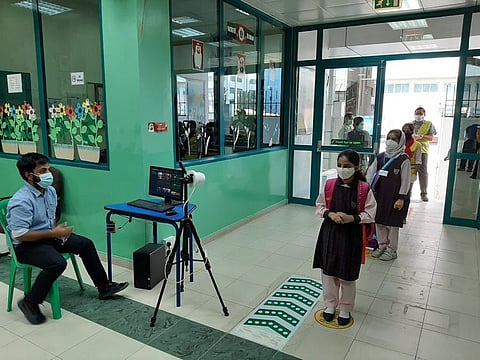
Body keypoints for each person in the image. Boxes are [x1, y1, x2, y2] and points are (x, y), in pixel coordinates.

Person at [6, 153, 128, 325]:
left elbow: (49, 220)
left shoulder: (50, 192)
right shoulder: (21, 201)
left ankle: (104, 287)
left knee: (85, 244)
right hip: (26, 246)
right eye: (43, 171)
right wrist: (53, 234)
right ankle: (29, 302)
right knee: (57, 263)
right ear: (28, 175)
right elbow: (20, 235)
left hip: (48, 237)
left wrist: (58, 234)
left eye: (48, 169)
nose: (49, 174)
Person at [313, 150, 377, 326]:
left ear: (356, 168)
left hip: (351, 237)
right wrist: (329, 213)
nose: (342, 169)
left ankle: (346, 308)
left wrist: (352, 218)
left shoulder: (363, 189)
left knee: (347, 275)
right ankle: (330, 305)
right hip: (330, 234)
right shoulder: (330, 185)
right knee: (328, 273)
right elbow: (319, 206)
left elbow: (370, 213)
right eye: (339, 165)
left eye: (347, 166)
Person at [367, 129, 410, 261]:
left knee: (392, 224)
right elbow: (370, 173)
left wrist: (401, 198)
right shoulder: (381, 157)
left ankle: (392, 249)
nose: (390, 141)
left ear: (400, 142)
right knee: (379, 221)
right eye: (389, 138)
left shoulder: (403, 159)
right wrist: (366, 189)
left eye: (394, 139)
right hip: (379, 196)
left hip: (394, 197)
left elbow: (406, 180)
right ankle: (382, 245)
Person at [411, 107, 436, 202]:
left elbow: (431, 138)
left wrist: (421, 136)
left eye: (420, 113)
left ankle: (423, 193)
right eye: (417, 113)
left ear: (424, 114)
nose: (418, 115)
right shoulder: (410, 124)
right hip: (412, 150)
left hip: (423, 151)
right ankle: (408, 192)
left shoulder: (428, 124)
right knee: (410, 171)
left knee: (423, 173)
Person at [402, 123, 422, 223]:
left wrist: (415, 173)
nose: (406, 132)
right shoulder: (399, 143)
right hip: (399, 171)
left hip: (411, 171)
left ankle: (403, 216)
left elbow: (418, 161)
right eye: (404, 130)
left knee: (407, 194)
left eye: (408, 130)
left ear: (412, 131)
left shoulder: (417, 145)